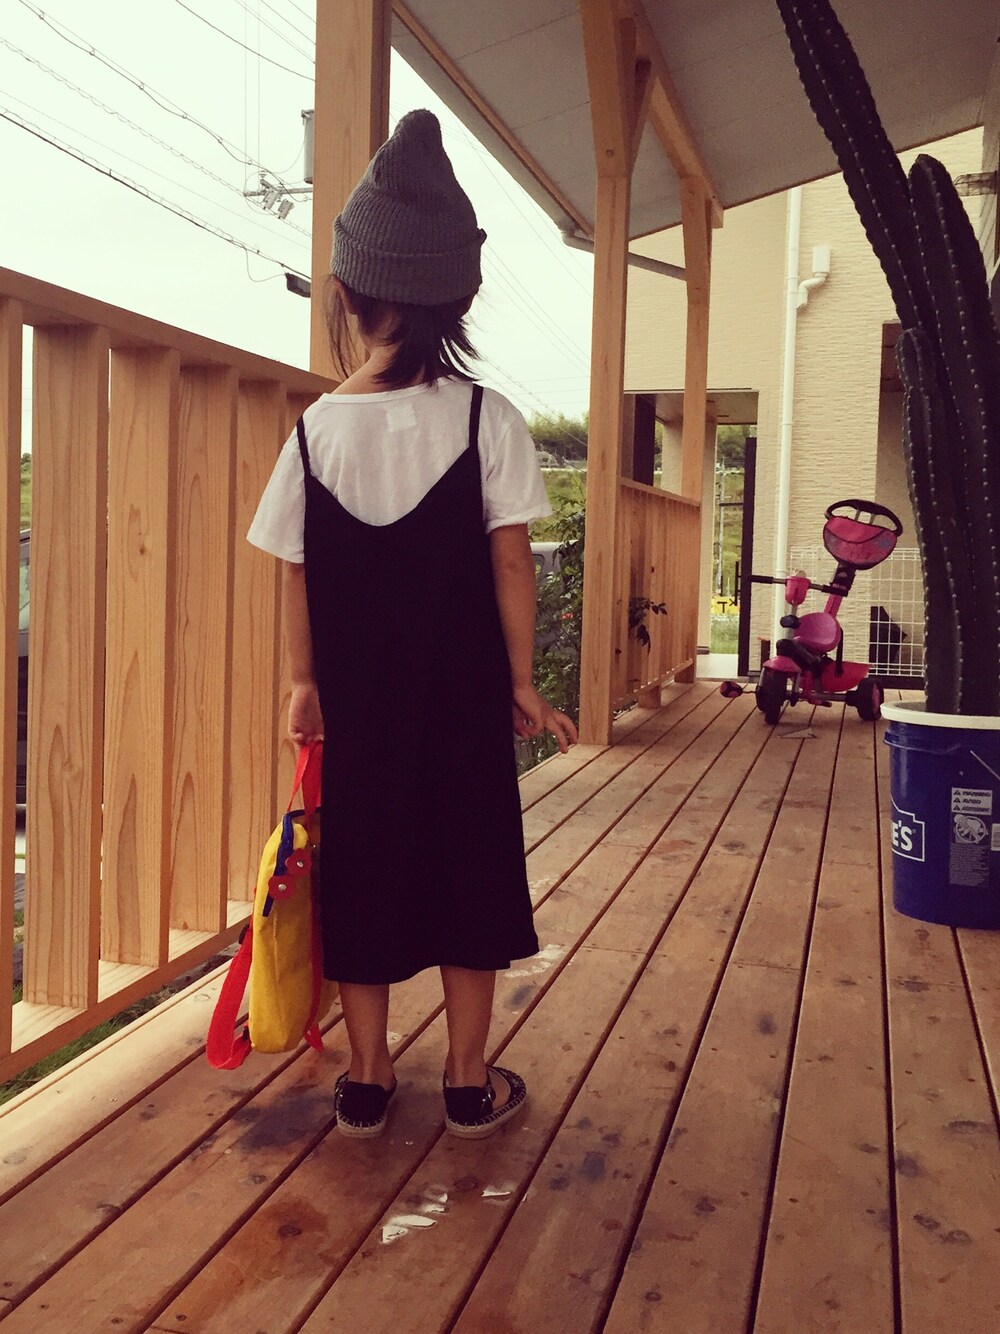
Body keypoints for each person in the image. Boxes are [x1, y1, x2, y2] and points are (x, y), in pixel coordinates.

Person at [248, 109, 577, 1141]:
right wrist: (519, 681)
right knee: (470, 863)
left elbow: (296, 569)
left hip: (360, 707)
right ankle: (469, 1080)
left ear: (346, 295)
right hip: (462, 697)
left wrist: (305, 684)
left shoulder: (315, 433)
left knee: (366, 868)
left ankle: (368, 1075)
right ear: (458, 299)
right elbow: (511, 562)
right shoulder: (487, 419)